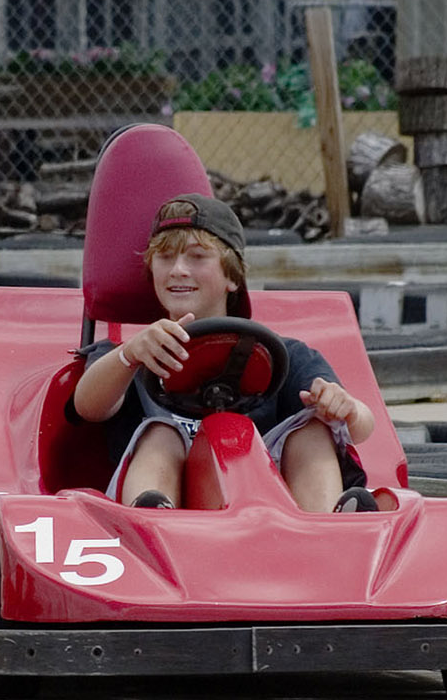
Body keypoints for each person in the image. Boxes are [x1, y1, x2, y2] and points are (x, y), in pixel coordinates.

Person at [69, 193, 379, 514]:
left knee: (312, 430)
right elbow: (88, 406)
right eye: (164, 257)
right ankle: (154, 518)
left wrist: (345, 408)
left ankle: (326, 526)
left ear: (231, 276)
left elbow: (363, 427)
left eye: (197, 257)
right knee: (162, 434)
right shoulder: (128, 356)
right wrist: (129, 355)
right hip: (164, 515)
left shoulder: (281, 354)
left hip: (266, 502)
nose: (177, 269)